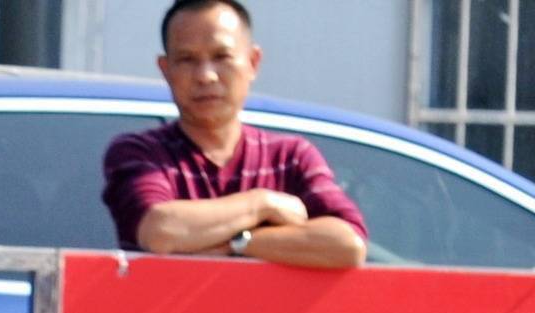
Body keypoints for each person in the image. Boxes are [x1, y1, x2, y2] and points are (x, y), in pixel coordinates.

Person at [101, 0, 368, 270]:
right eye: (187, 59)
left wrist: (240, 243)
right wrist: (262, 204)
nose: (206, 76)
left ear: (253, 62)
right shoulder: (139, 153)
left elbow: (349, 244)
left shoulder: (291, 157)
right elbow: (161, 231)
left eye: (221, 56)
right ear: (165, 70)